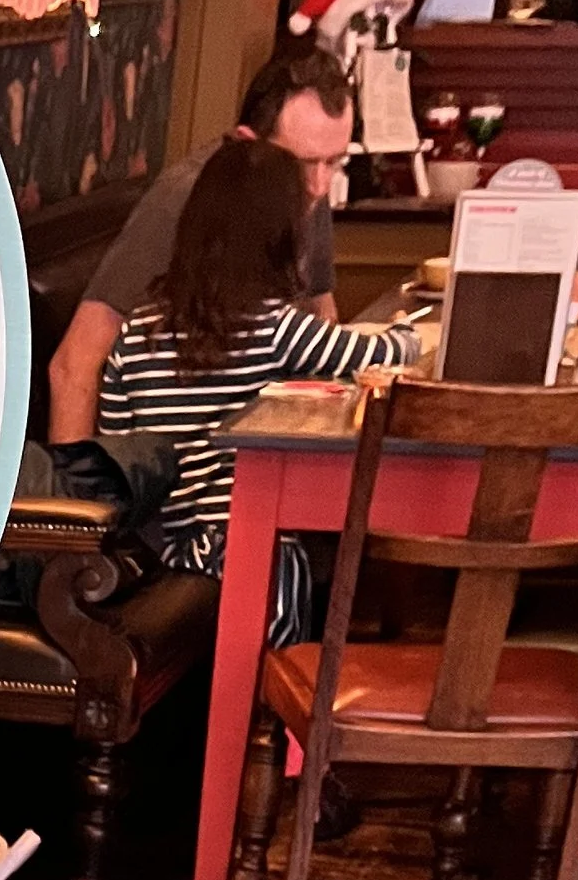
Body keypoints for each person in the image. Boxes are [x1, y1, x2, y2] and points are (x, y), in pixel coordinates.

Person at [96, 137, 418, 643]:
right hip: (240, 541)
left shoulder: (136, 332)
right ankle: (277, 679)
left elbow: (117, 450)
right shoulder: (272, 326)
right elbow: (378, 355)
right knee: (288, 554)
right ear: (280, 237)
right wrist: (406, 329)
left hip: (158, 545)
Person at [45, 50, 354, 444]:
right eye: (303, 164)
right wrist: (79, 483)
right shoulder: (186, 200)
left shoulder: (307, 186)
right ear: (246, 143)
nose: (320, 186)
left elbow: (320, 311)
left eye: (334, 162)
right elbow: (72, 367)